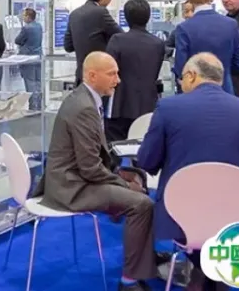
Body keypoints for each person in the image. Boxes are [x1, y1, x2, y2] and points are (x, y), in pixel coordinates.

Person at [137, 52, 239, 291]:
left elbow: (147, 162)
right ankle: (210, 270)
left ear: (191, 76)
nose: (181, 83)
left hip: (182, 218)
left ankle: (202, 269)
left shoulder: (168, 108)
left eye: (182, 77)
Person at [34, 51, 155, 290]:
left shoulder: (85, 99)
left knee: (138, 183)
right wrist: (122, 183)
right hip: (72, 187)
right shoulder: (84, 108)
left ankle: (144, 258)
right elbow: (90, 169)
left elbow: (91, 159)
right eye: (112, 74)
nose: (118, 80)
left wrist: (120, 177)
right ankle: (129, 280)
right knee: (142, 204)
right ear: (91, 75)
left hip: (77, 177)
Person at [105, 0, 165, 141]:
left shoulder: (117, 40)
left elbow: (108, 68)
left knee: (115, 146)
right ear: (148, 17)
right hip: (148, 104)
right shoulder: (158, 43)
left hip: (119, 104)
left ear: (126, 17)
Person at [173, 0, 239, 94]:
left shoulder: (184, 28)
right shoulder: (231, 25)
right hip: (224, 91)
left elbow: (180, 68)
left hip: (194, 93)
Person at [64, 0, 123, 86]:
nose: (110, 0)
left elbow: (68, 46)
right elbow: (121, 37)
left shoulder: (74, 14)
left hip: (82, 77)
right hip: (100, 78)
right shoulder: (100, 12)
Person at [15, 8, 43, 111]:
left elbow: (17, 40)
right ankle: (39, 105)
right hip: (38, 57)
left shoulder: (26, 28)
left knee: (30, 82)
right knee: (38, 82)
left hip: (28, 58)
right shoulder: (39, 26)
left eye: (24, 15)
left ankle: (32, 106)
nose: (23, 17)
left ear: (28, 16)